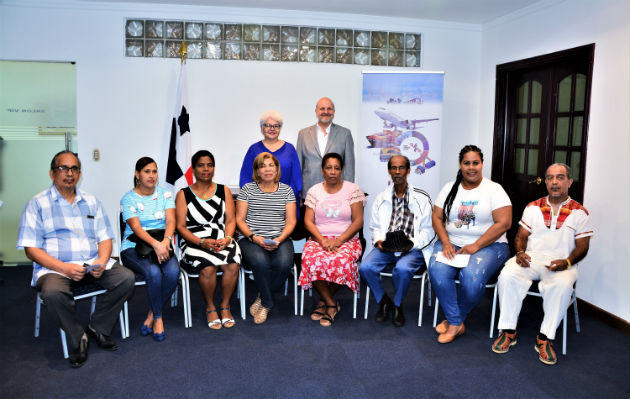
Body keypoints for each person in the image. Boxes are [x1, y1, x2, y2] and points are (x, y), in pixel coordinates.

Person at [17, 150, 134, 368]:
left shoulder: (91, 201)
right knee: (52, 293)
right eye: (63, 168)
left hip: (90, 263)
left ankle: (98, 327)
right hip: (54, 267)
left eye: (74, 169)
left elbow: (105, 237)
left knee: (125, 278)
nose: (69, 173)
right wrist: (63, 268)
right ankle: (79, 336)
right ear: (52, 173)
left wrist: (101, 260)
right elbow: (31, 249)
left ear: (79, 174)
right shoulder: (37, 204)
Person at [492, 163, 593, 365]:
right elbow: (521, 236)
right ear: (546, 182)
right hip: (532, 259)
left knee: (563, 286)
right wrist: (520, 252)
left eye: (560, 177)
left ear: (569, 182)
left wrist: (567, 262)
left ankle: (545, 338)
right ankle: (508, 331)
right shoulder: (533, 207)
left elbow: (582, 247)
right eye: (550, 178)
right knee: (508, 275)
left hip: (562, 262)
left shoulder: (580, 212)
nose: (554, 182)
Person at [429, 145, 512, 343]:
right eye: (467, 163)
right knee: (437, 271)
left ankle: (454, 321)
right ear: (460, 165)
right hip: (452, 243)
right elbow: (437, 217)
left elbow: (504, 223)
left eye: (476, 163)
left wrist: (476, 245)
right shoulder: (449, 188)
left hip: (490, 246)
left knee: (471, 277)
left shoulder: (494, 190)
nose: (471, 167)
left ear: (482, 164)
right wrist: (445, 241)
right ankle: (456, 322)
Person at [359, 155, 434, 327]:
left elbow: (429, 231)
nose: (397, 172)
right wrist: (378, 240)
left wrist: (411, 244)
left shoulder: (422, 197)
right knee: (365, 267)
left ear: (408, 171)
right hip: (387, 247)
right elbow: (375, 226)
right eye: (394, 168)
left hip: (412, 248)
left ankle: (398, 304)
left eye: (401, 168)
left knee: (402, 269)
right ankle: (384, 300)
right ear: (389, 171)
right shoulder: (381, 197)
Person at [298, 153, 366, 327]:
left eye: (336, 168)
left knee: (341, 260)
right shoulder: (314, 191)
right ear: (322, 171)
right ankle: (331, 303)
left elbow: (358, 221)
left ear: (341, 170)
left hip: (347, 239)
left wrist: (339, 241)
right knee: (311, 259)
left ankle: (324, 300)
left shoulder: (353, 190)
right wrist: (322, 240)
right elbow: (307, 221)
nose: (333, 172)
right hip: (319, 238)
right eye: (329, 168)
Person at [176, 150, 241, 330]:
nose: (206, 169)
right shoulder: (183, 194)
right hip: (194, 240)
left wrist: (228, 238)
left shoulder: (223, 190)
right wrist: (200, 242)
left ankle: (225, 305)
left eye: (209, 165)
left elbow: (230, 220)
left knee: (233, 263)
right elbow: (180, 227)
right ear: (194, 170)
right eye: (201, 165)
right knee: (208, 266)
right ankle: (210, 306)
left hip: (221, 237)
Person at [120, 157, 179, 342]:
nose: (151, 175)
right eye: (146, 171)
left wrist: (166, 241)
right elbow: (136, 229)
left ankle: (151, 315)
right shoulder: (128, 198)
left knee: (173, 272)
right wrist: (156, 245)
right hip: (134, 246)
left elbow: (171, 221)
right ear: (137, 174)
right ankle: (159, 318)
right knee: (153, 273)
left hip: (163, 243)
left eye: (154, 171)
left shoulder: (165, 195)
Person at [236, 152, 297, 324]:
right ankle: (268, 302)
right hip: (251, 238)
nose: (267, 169)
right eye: (262, 166)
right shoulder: (247, 189)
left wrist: (279, 239)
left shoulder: (286, 190)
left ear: (277, 168)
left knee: (284, 263)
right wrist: (254, 237)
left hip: (280, 237)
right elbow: (239, 220)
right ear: (257, 170)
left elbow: (291, 221)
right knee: (260, 262)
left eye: (271, 165)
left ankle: (262, 298)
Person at [239, 110, 302, 217]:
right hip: (259, 205)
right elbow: (245, 179)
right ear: (262, 128)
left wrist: (285, 199)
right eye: (268, 125)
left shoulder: (290, 149)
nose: (272, 129)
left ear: (280, 128)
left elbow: (296, 179)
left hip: (285, 205)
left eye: (276, 126)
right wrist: (261, 199)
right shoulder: (253, 149)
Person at [297, 97, 355, 197]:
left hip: (337, 192)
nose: (326, 111)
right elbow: (299, 166)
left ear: (334, 111)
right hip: (309, 192)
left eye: (329, 109)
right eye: (322, 108)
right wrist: (299, 193)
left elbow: (349, 168)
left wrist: (347, 193)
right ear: (316, 111)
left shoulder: (345, 134)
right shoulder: (303, 134)